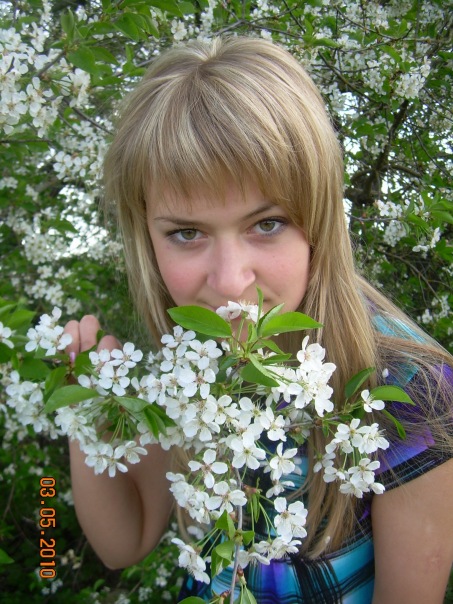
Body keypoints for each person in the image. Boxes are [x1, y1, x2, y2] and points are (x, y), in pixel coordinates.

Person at [65, 36, 453, 603]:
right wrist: (89, 413)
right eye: (186, 233)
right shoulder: (189, 359)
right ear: (146, 239)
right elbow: (125, 542)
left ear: (319, 220)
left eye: (267, 224)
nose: (229, 281)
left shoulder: (409, 391)